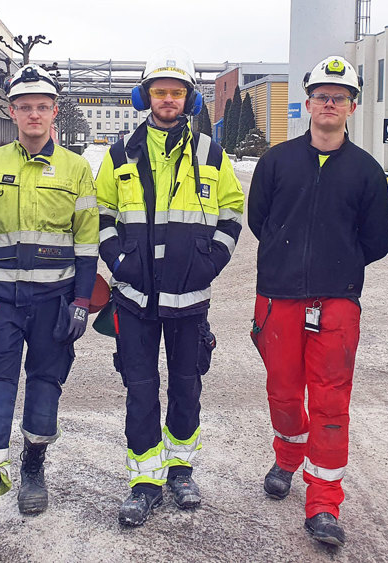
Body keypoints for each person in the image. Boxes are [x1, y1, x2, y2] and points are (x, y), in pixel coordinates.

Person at [95, 47, 244, 527]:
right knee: (140, 390)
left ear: (189, 100)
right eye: (159, 92)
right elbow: (100, 216)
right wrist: (119, 260)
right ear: (146, 97)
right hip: (134, 299)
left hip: (189, 298)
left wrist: (212, 261)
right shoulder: (119, 155)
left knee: (186, 387)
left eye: (176, 93)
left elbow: (232, 213)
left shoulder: (211, 155)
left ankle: (180, 471)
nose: (167, 100)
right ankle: (144, 481)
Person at [0, 63, 98, 547]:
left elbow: (87, 244)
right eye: (24, 106)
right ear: (12, 112)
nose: (33, 114)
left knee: (44, 387)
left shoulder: (76, 169)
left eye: (42, 106)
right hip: (0, 304)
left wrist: (81, 301)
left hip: (54, 302)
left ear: (54, 112)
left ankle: (33, 463)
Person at [247, 56, 388, 547]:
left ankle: (325, 501)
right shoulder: (276, 162)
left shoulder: (367, 172)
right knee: (284, 393)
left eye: (340, 97)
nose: (330, 104)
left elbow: (377, 241)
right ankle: (287, 456)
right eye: (322, 96)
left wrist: (337, 266)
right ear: (307, 103)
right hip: (279, 300)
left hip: (336, 303)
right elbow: (259, 222)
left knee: (331, 402)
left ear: (352, 106)